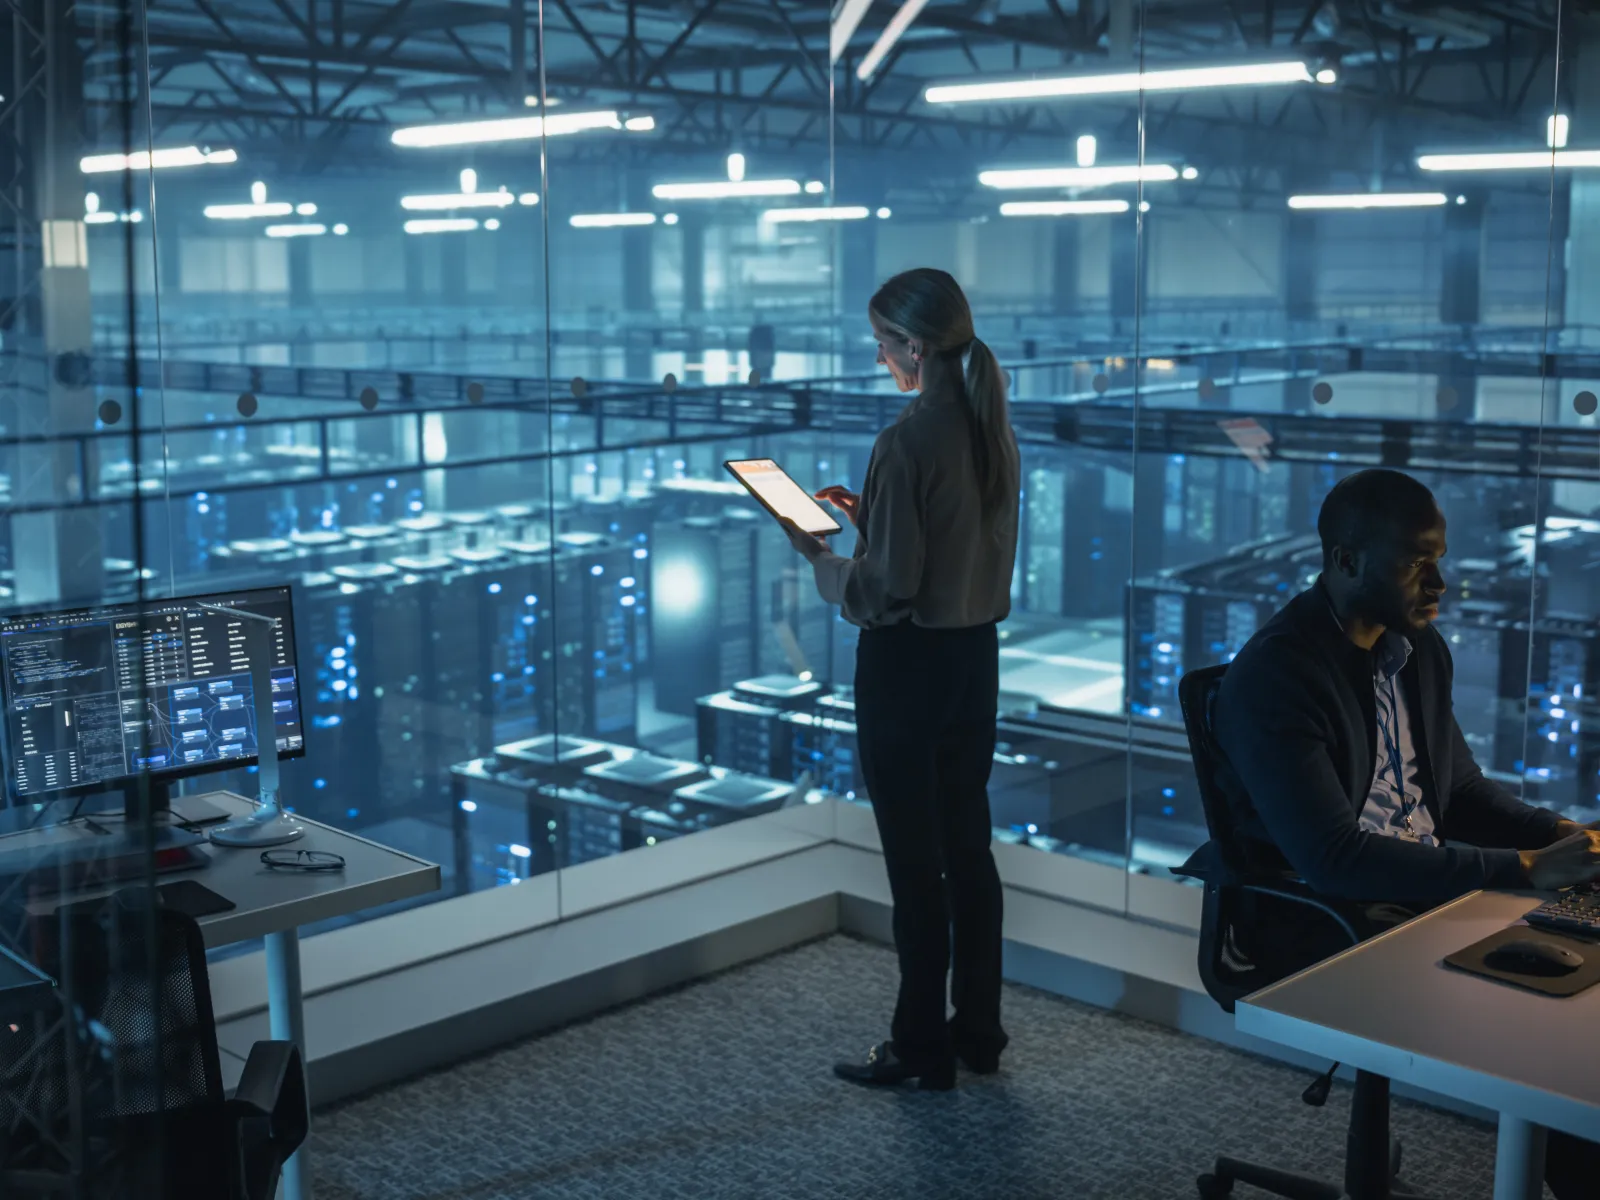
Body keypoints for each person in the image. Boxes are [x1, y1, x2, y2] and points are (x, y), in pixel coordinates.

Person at [1211, 467, 1600, 1200]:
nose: (1440, 582)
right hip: (1327, 916)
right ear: (1347, 561)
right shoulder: (1278, 675)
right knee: (1541, 1012)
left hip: (1421, 890)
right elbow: (1334, 858)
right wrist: (1519, 867)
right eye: (1417, 561)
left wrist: (1563, 837)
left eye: (1441, 557)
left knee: (1576, 945)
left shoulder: (1418, 652)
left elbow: (1459, 791)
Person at [779, 268, 1020, 1091]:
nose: (880, 357)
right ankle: (978, 1034)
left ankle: (920, 1050)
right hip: (973, 662)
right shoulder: (991, 426)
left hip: (908, 668)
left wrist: (821, 557)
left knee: (915, 869)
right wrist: (874, 519)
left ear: (914, 345)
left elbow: (887, 591)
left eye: (883, 342)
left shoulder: (907, 439)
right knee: (968, 854)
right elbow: (950, 549)